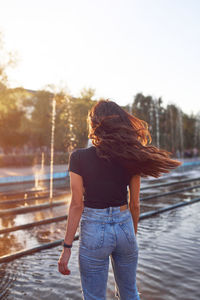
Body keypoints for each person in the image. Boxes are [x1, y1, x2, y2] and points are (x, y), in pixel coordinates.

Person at [58, 99, 182, 299]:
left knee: (94, 296)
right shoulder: (131, 156)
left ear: (95, 124)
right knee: (130, 293)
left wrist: (66, 248)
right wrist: (130, 236)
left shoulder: (78, 157)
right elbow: (135, 204)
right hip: (125, 226)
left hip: (94, 229)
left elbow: (76, 204)